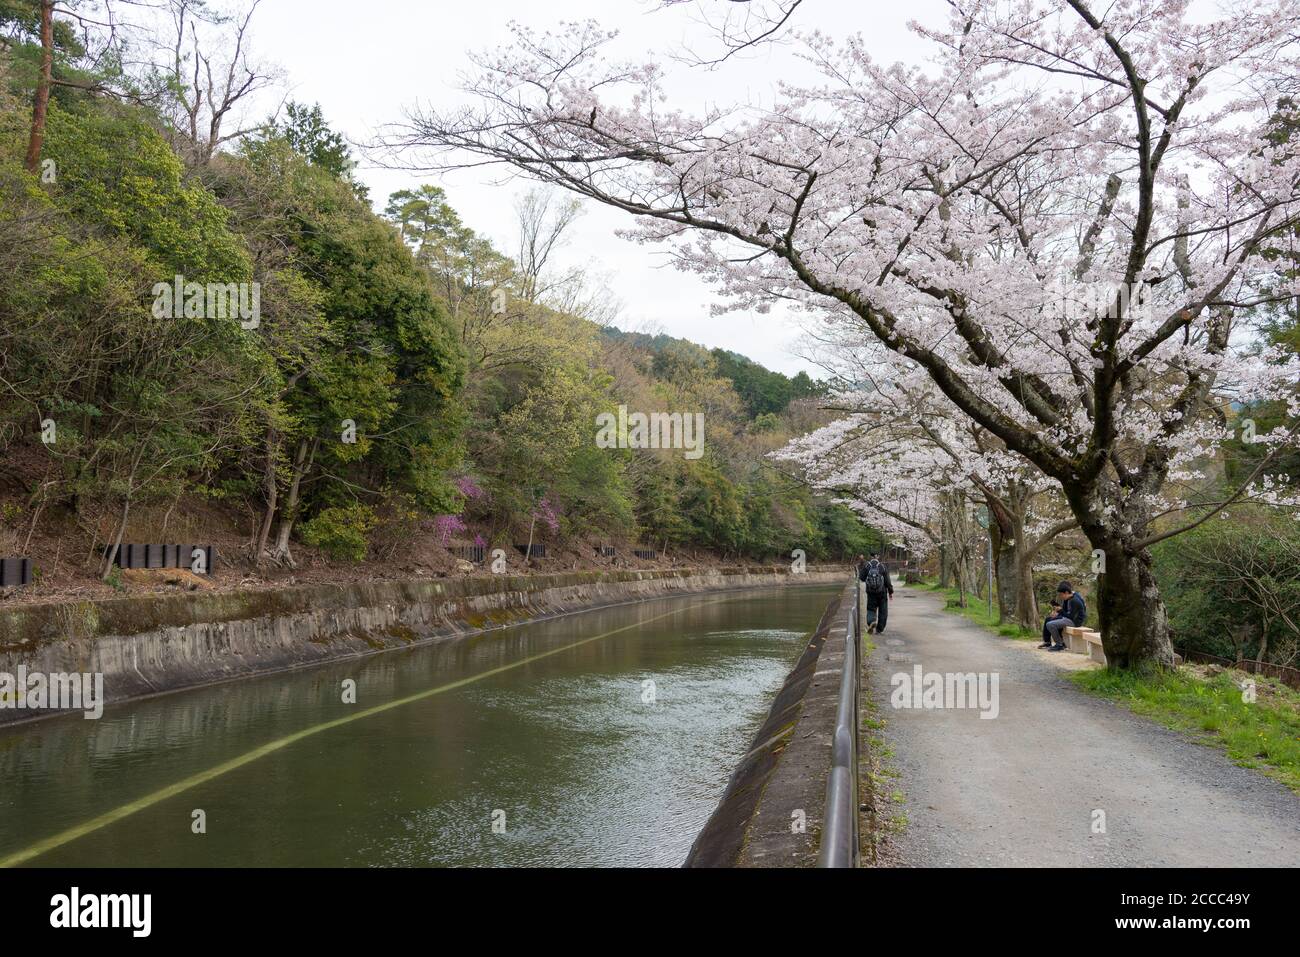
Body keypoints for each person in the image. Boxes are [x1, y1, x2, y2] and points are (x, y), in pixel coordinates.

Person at [1041, 581, 1086, 651]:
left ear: (1066, 592)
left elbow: (1070, 617)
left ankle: (1059, 644)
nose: (1060, 597)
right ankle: (1047, 642)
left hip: (1075, 621)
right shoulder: (1067, 598)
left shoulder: (1075, 601)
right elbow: (1065, 611)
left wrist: (1060, 611)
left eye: (1061, 595)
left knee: (1050, 624)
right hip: (1069, 618)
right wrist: (1057, 613)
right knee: (1049, 619)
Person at [858, 551, 894, 635]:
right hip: (882, 593)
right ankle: (879, 629)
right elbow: (887, 581)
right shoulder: (882, 566)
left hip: (871, 593)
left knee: (871, 609)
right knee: (883, 611)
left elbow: (862, 578)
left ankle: (871, 622)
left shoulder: (867, 566)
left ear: (870, 556)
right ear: (877, 556)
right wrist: (890, 591)